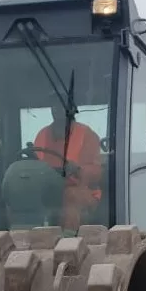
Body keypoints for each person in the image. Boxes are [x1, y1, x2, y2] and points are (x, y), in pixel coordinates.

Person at [33, 94, 103, 230]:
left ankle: (69, 242)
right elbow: (36, 165)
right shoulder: (42, 135)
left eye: (61, 105)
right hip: (49, 191)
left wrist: (78, 169)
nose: (57, 109)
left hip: (84, 191)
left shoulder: (86, 134)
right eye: (54, 106)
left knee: (70, 196)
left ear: (71, 109)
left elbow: (98, 173)